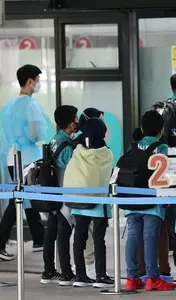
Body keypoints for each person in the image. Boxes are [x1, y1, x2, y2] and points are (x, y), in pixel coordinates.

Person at [124, 111, 176, 292]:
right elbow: (168, 175)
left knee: (133, 237)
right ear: (161, 130)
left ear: (142, 128)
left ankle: (132, 278)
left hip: (131, 199)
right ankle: (152, 278)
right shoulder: (162, 148)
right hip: (153, 201)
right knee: (150, 238)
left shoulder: (133, 147)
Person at [0, 64, 46, 261]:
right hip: (26, 157)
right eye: (37, 80)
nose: (38, 84)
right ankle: (0, 242)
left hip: (11, 156)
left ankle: (39, 239)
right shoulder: (32, 105)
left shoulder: (7, 106)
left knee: (26, 195)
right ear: (30, 81)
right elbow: (36, 134)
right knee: (19, 197)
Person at [64, 118, 114, 288]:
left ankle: (80, 275)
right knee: (99, 239)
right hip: (98, 202)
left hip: (78, 199)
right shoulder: (106, 153)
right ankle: (100, 276)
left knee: (79, 238)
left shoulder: (78, 150)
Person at [40, 105, 78, 285]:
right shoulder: (67, 146)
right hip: (64, 192)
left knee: (51, 231)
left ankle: (48, 271)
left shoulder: (54, 140)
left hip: (51, 190)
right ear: (71, 124)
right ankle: (66, 273)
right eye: (76, 120)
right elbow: (72, 170)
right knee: (64, 231)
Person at [72, 107, 105, 279]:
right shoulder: (102, 151)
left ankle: (80, 273)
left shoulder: (77, 146)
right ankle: (94, 270)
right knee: (93, 234)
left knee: (79, 234)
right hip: (94, 199)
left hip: (76, 197)